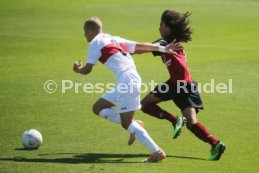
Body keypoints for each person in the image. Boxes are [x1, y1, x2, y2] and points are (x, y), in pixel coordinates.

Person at [73, 17, 182, 162]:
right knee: (98, 108)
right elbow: (139, 46)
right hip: (128, 79)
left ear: (91, 30)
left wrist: (78, 70)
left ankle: (157, 152)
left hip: (127, 80)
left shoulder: (95, 43)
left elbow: (87, 70)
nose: (84, 35)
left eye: (85, 31)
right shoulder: (113, 39)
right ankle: (135, 125)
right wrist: (163, 48)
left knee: (127, 123)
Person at [129, 10, 225, 161]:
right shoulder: (173, 42)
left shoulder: (165, 42)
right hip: (188, 84)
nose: (159, 27)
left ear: (168, 27)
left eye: (161, 24)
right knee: (192, 122)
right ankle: (215, 143)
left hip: (176, 84)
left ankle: (174, 120)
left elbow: (144, 48)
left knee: (145, 104)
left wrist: (123, 49)